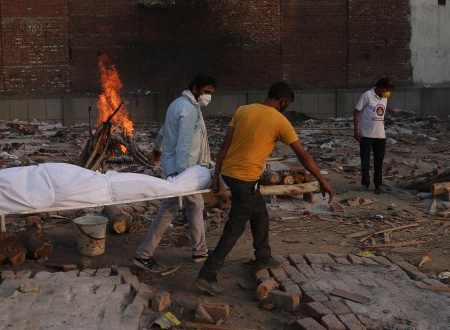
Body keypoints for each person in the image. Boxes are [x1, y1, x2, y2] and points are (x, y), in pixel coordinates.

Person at [194, 81, 336, 296]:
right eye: (286, 104)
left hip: (231, 174)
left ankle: (263, 256)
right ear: (283, 101)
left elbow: (225, 145)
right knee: (235, 227)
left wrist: (216, 177)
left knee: (259, 213)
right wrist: (322, 181)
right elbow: (302, 155)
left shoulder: (243, 110)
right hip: (245, 179)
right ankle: (207, 274)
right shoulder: (280, 120)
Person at [133, 75, 217, 273]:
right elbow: (184, 145)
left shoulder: (177, 104)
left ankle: (200, 251)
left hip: (175, 169)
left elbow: (164, 129)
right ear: (195, 88)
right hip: (183, 170)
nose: (208, 96)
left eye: (211, 93)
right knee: (170, 209)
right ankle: (143, 254)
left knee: (195, 205)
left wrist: (157, 147)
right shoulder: (189, 110)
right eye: (206, 92)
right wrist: (184, 178)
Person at [354, 77, 394, 195]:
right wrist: (356, 129)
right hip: (366, 134)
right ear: (380, 88)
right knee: (365, 160)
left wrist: (383, 129)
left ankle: (378, 184)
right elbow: (357, 111)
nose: (388, 93)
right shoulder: (367, 95)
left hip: (380, 135)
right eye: (386, 90)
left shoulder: (384, 98)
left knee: (379, 160)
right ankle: (365, 184)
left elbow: (382, 115)